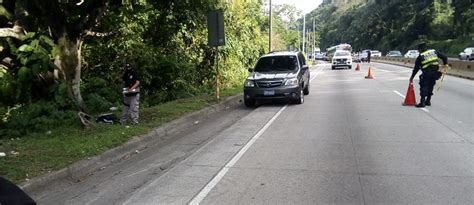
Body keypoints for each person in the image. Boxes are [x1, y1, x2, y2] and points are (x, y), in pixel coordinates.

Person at [409, 42, 448, 108]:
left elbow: (416, 68)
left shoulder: (420, 56)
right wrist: (445, 64)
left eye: (419, 50)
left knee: (424, 86)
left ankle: (422, 102)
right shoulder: (433, 51)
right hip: (435, 72)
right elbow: (444, 57)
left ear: (420, 49)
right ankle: (428, 101)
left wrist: (412, 77)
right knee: (431, 85)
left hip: (427, 73)